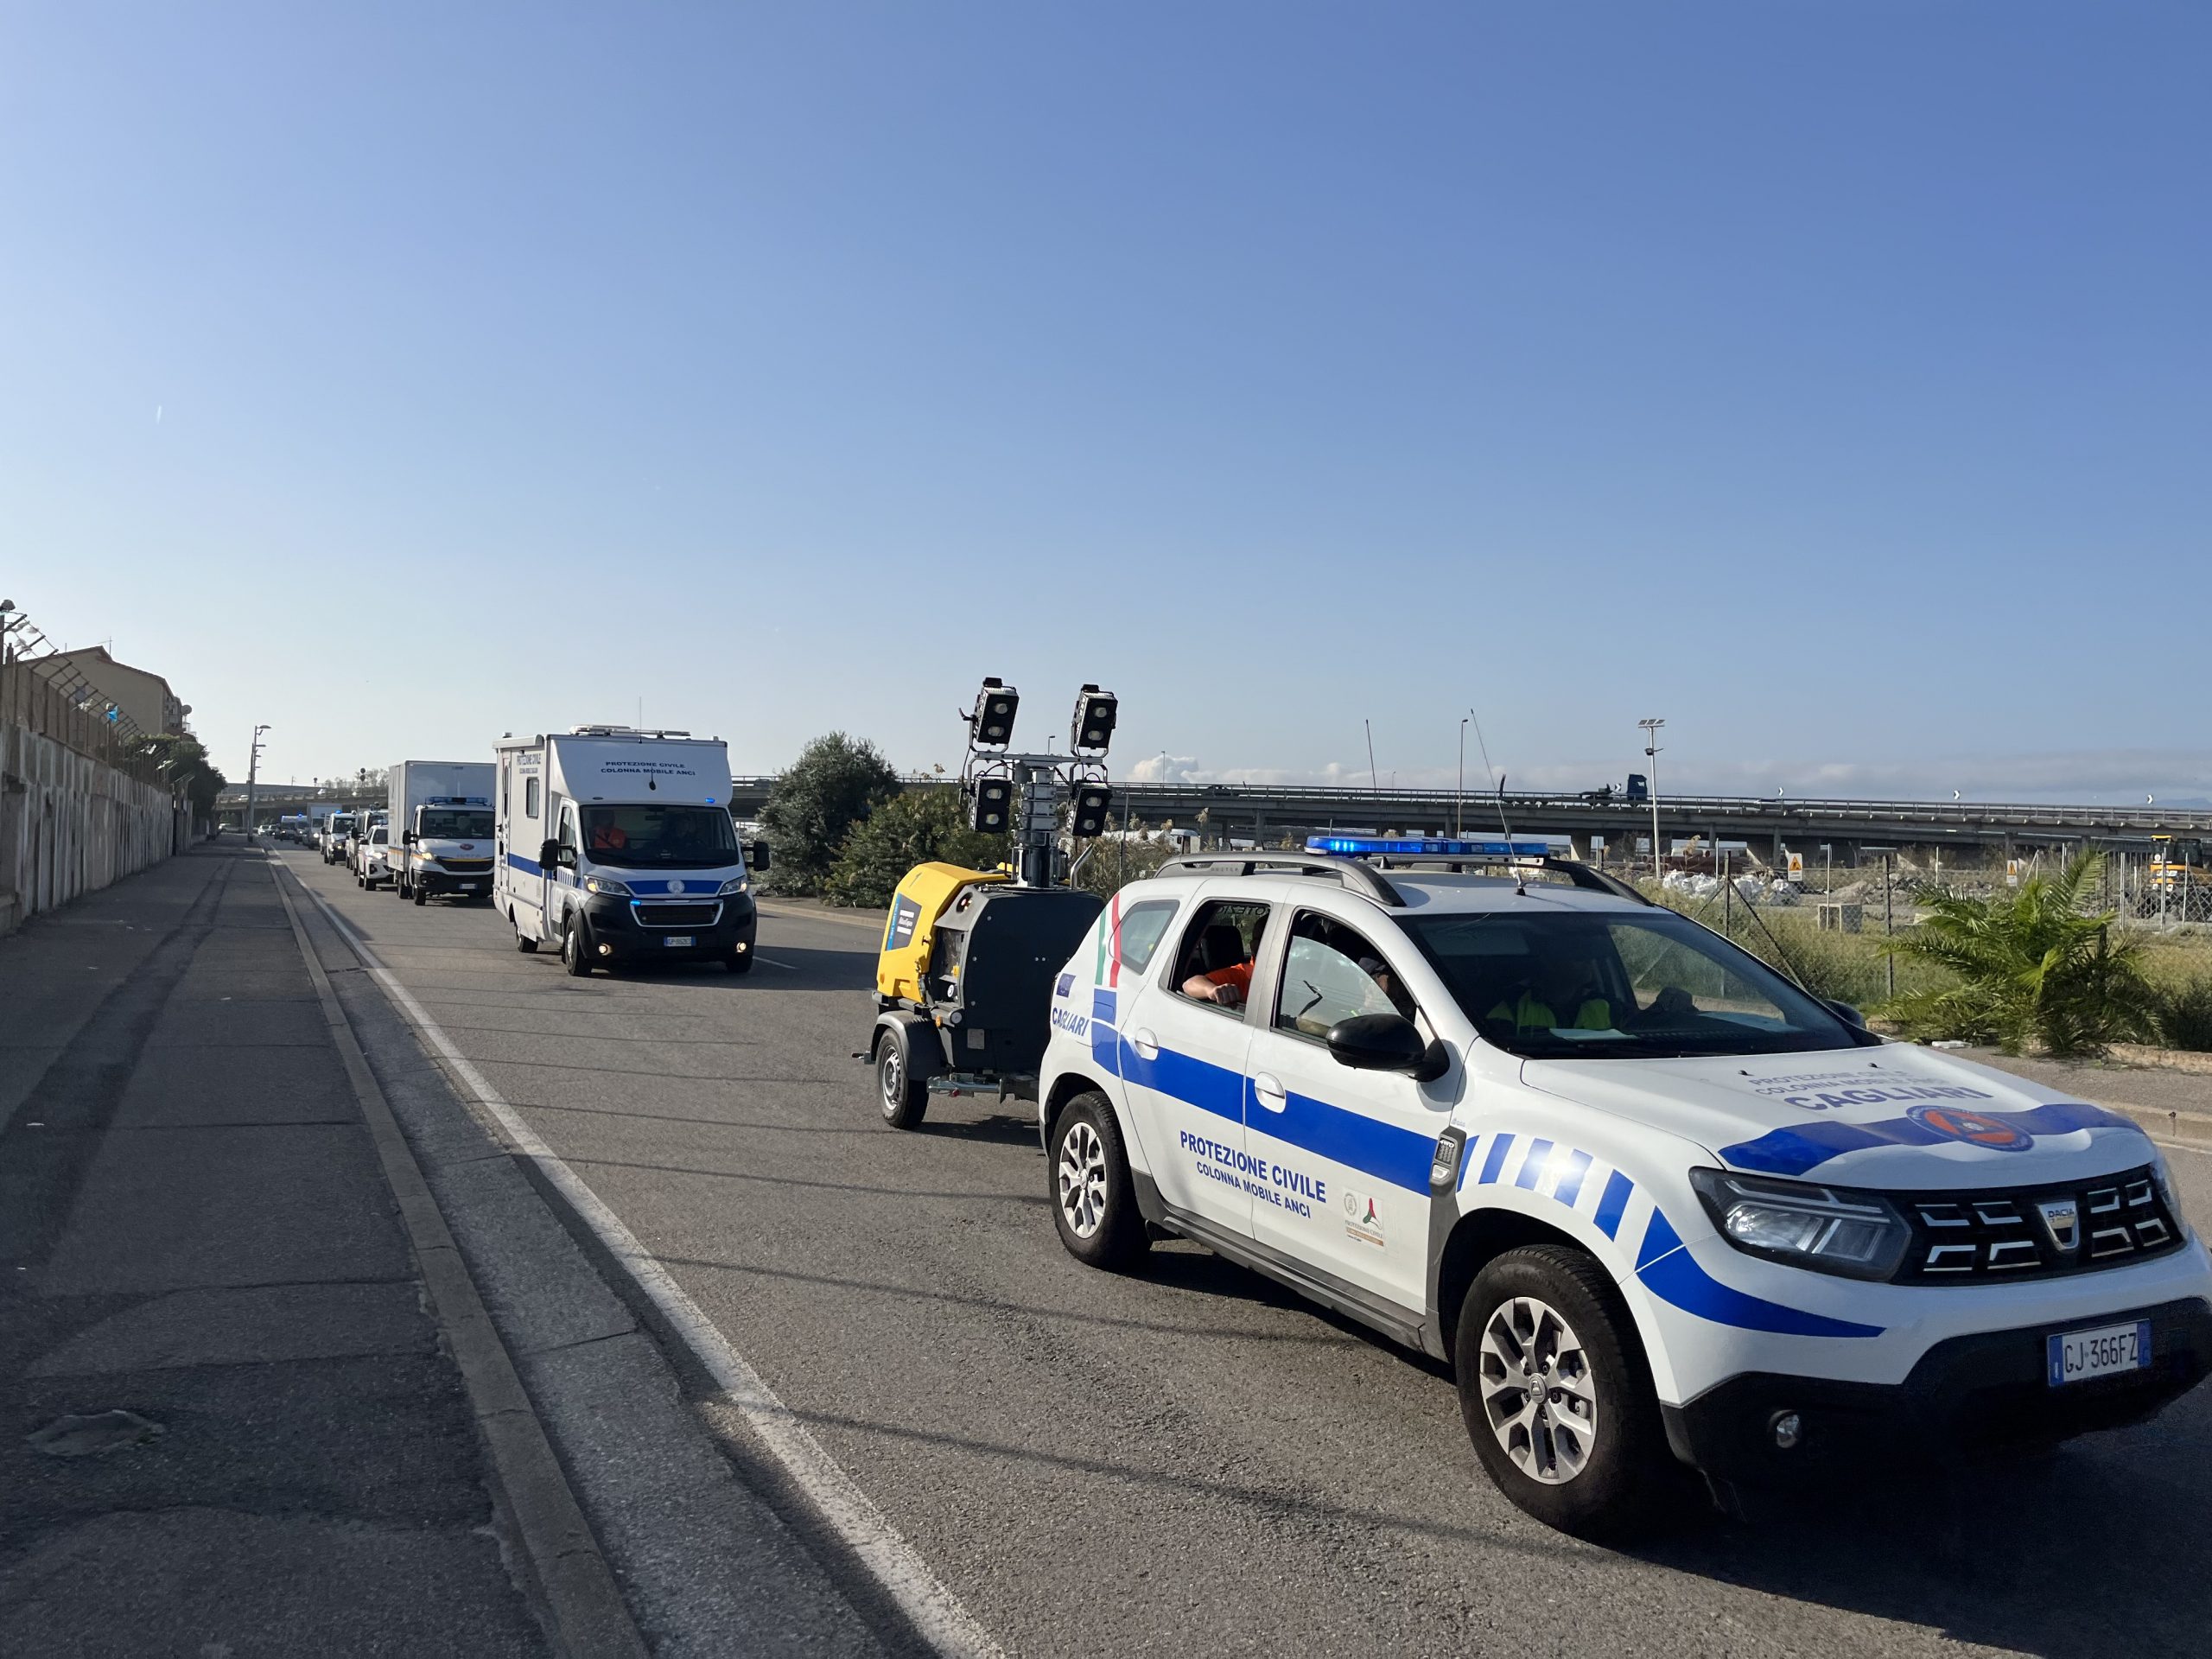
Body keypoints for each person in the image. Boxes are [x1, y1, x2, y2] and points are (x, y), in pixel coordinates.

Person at [1487, 957, 1612, 1034]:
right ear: (1549, 962)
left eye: (1591, 955)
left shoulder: (1606, 1005)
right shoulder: (1512, 1005)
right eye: (1578, 956)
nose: (1589, 962)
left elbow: (1631, 1036)